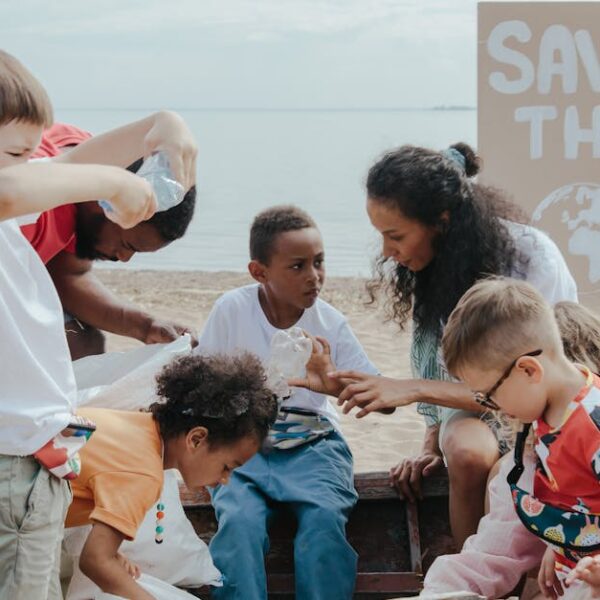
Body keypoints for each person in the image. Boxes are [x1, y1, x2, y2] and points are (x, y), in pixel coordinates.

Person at [327, 142, 577, 547]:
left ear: (442, 221)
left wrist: (412, 390)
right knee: (465, 451)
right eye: (381, 237)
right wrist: (431, 445)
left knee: (508, 472)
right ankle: (470, 574)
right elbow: (433, 361)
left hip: (546, 408)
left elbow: (538, 384)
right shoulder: (434, 266)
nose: (388, 253)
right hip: (476, 408)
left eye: (396, 236)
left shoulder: (533, 260)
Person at [0, 49, 158, 599]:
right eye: (17, 151)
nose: (31, 163)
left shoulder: (14, 195)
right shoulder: (8, 194)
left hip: (35, 460)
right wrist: (116, 184)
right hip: (11, 465)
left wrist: (166, 129)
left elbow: (60, 169)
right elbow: (16, 187)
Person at [197, 205, 378, 600]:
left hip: (314, 445)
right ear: (259, 272)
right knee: (239, 522)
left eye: (319, 262)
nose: (314, 277)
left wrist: (333, 385)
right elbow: (200, 383)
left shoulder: (329, 323)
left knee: (324, 520)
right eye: (298, 266)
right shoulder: (232, 310)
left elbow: (383, 399)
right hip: (243, 445)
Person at [422, 299, 600, 600]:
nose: (495, 410)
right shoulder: (541, 432)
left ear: (529, 371)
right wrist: (558, 545)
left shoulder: (590, 425)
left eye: (489, 397)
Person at [65, 352, 278, 600]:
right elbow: (94, 562)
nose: (225, 479)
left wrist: (112, 556)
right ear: (196, 439)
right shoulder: (143, 473)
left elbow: (93, 481)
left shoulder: (138, 424)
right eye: (227, 467)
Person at [21, 122, 198, 360]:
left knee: (83, 340)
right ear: (106, 203)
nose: (123, 259)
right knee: (69, 344)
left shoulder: (93, 153)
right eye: (127, 245)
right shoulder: (36, 211)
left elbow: (69, 275)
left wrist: (146, 326)